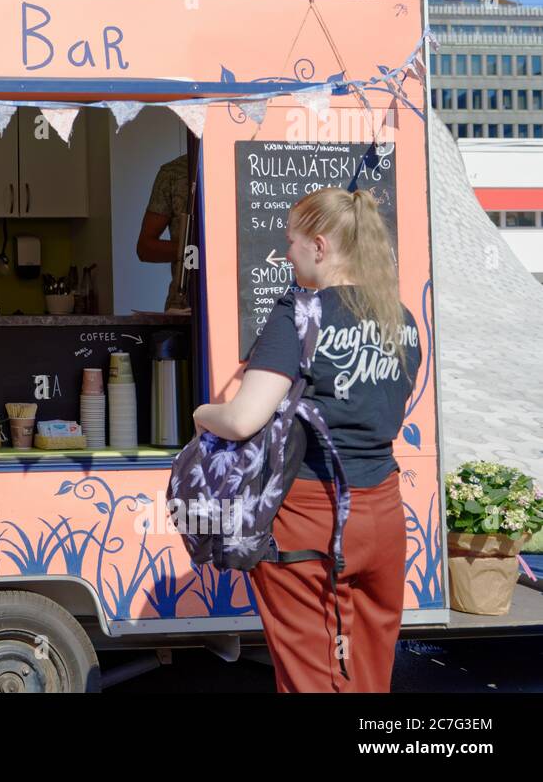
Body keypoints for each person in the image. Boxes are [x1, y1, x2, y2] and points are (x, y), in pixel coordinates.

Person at [192, 186, 420, 693]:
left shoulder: (299, 311)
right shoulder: (401, 320)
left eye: (290, 242)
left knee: (312, 680)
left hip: (311, 516)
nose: (285, 253)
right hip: (383, 510)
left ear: (319, 246)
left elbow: (244, 418)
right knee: (367, 672)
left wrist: (202, 412)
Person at [136, 153, 192, 311]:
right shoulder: (174, 173)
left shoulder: (253, 163)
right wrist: (196, 251)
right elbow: (145, 248)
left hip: (248, 302)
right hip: (185, 306)